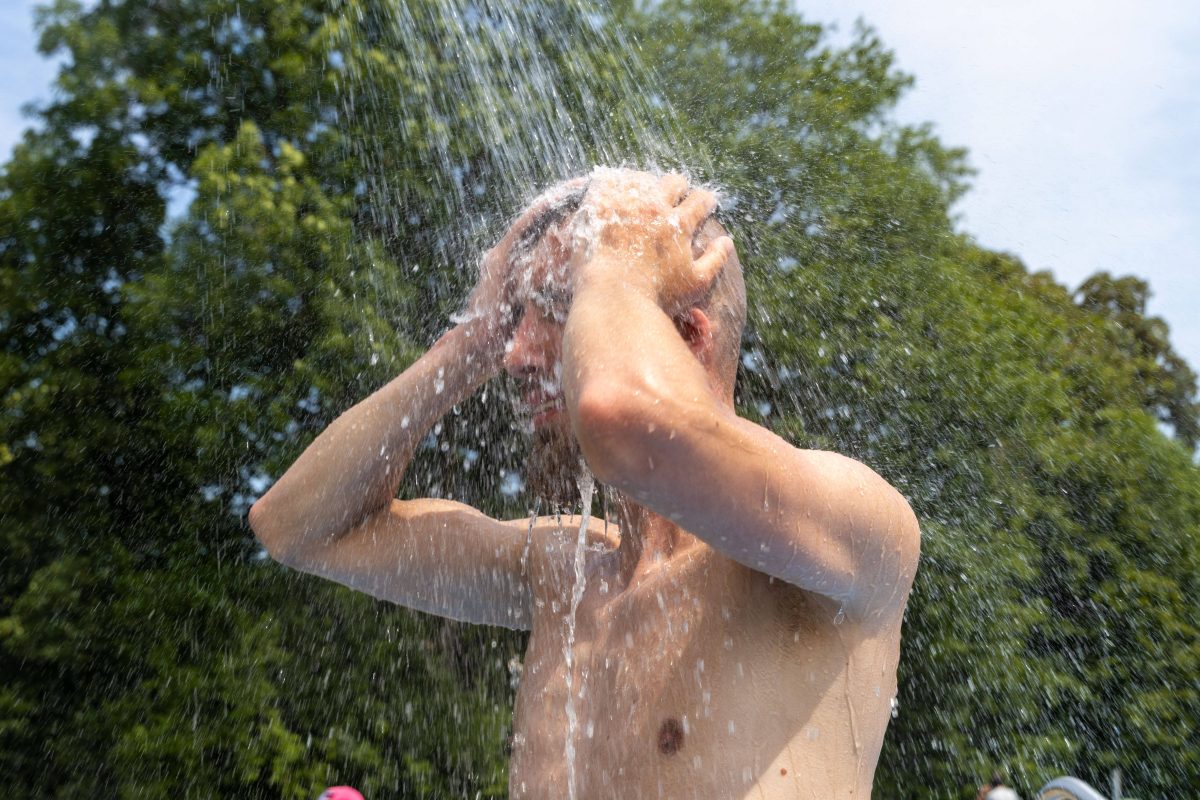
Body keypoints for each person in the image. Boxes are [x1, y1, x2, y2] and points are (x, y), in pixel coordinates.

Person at [249, 168, 921, 798]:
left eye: (559, 310)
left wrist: (621, 277)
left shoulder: (846, 530)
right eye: (520, 318)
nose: (517, 354)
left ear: (685, 336)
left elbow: (621, 418)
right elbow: (299, 528)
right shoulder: (563, 575)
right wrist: (471, 342)